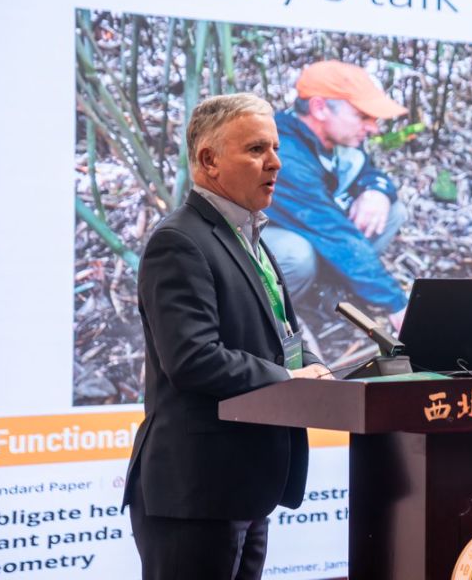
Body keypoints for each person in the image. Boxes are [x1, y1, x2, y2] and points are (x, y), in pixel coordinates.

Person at [122, 93, 331, 580]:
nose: (275, 162)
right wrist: (289, 379)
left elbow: (280, 335)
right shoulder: (179, 241)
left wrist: (317, 368)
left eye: (275, 148)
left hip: (246, 487)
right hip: (196, 491)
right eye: (257, 149)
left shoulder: (249, 237)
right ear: (209, 160)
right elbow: (193, 358)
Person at [262, 60, 410, 329]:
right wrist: (397, 304)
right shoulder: (284, 155)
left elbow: (367, 171)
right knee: (297, 255)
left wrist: (376, 190)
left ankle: (327, 290)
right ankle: (261, 321)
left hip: (311, 230)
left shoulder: (335, 140)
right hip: (244, 249)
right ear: (319, 108)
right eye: (362, 116)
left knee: (390, 210)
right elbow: (333, 231)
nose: (373, 128)